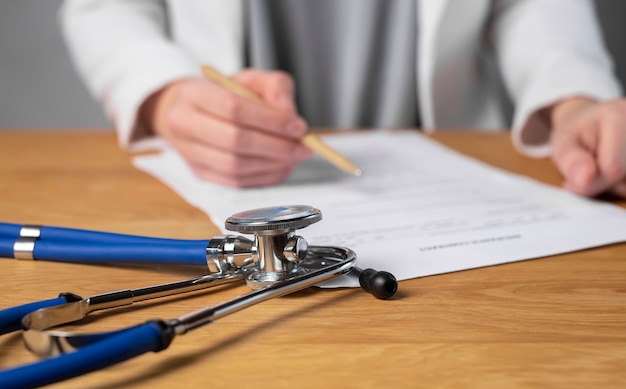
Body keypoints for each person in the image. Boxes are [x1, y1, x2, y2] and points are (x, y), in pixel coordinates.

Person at [60, 0, 626, 195]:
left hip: (444, 161)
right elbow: (105, 7)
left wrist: (572, 97)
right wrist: (166, 94)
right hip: (217, 184)